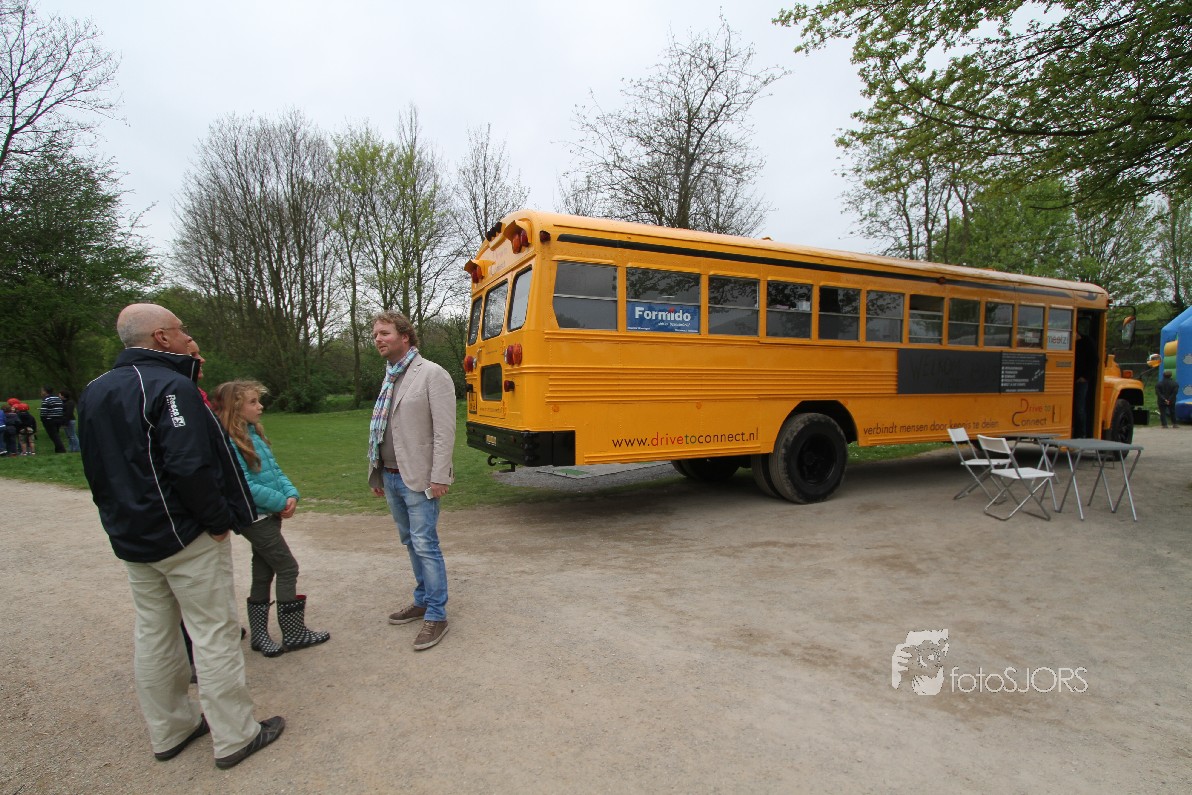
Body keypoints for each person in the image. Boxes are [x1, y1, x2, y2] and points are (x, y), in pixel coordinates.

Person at [78, 303, 284, 769]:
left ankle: (170, 728)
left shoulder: (94, 390)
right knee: (213, 632)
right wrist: (217, 521)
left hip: (133, 538)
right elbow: (190, 465)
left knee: (154, 632)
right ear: (161, 337)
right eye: (181, 329)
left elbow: (95, 466)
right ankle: (235, 735)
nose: (187, 336)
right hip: (183, 535)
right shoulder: (172, 387)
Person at [211, 379, 329, 657]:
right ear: (235, 408)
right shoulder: (229, 442)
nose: (260, 407)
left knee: (263, 572)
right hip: (256, 518)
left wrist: (291, 494)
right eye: (253, 402)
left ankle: (260, 636)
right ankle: (294, 633)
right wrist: (279, 502)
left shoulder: (253, 433)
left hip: (268, 514)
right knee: (287, 568)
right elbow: (243, 486)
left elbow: (274, 470)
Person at [368, 310, 456, 651]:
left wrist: (440, 476)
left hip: (420, 479)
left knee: (425, 544)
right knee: (410, 541)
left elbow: (445, 431)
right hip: (391, 475)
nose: (377, 339)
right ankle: (422, 600)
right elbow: (383, 428)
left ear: (404, 337)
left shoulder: (432, 373)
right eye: (375, 334)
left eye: (384, 333)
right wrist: (377, 471)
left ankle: (436, 614)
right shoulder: (390, 376)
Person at [1072, 327, 1097, 438]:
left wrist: (1085, 377)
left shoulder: (1086, 342)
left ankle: (1081, 434)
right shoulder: (1069, 343)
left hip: (1080, 380)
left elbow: (1094, 361)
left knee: (1079, 408)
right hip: (1069, 379)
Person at [39, 386, 66, 452]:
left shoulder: (46, 399)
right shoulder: (58, 398)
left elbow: (44, 411)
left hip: (50, 420)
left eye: (42, 391)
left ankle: (62, 449)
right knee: (56, 434)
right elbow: (61, 408)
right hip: (59, 418)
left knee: (53, 435)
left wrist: (43, 419)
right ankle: (57, 450)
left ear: (45, 391)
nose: (41, 392)